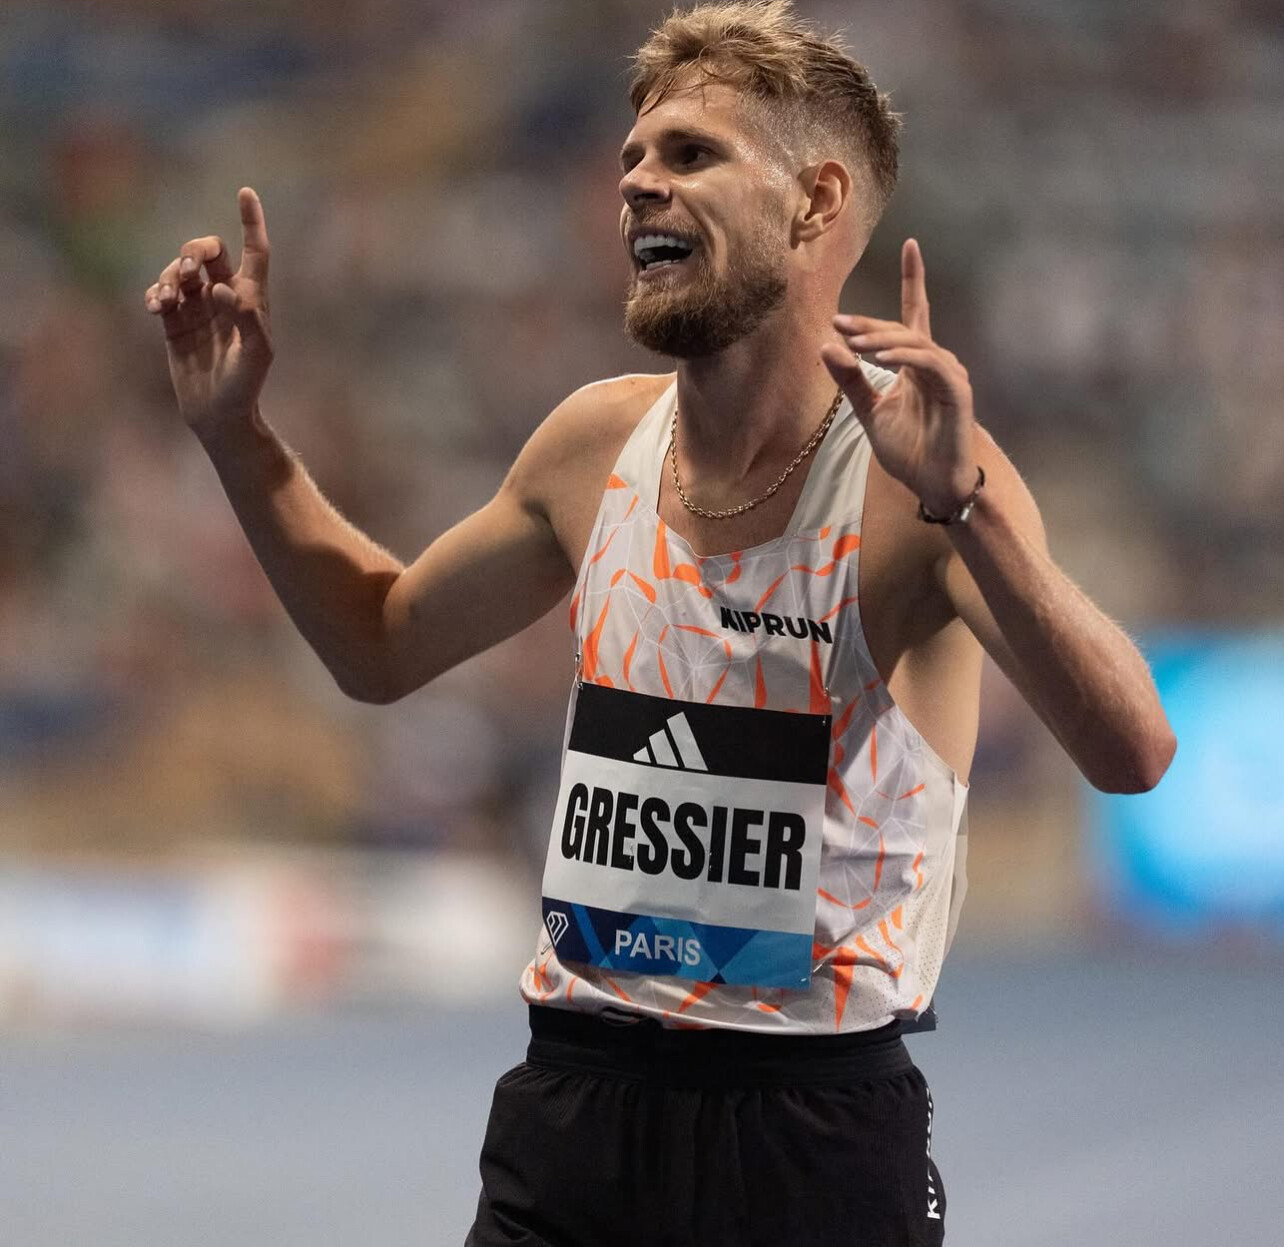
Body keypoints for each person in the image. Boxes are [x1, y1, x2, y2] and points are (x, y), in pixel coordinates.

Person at [145, 3, 1175, 1242]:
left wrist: (967, 509)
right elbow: (377, 641)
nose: (638, 183)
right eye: (632, 159)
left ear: (814, 201)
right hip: (574, 1111)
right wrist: (236, 434)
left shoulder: (921, 482)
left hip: (809, 1132)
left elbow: (1134, 750)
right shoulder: (594, 446)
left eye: (690, 154)